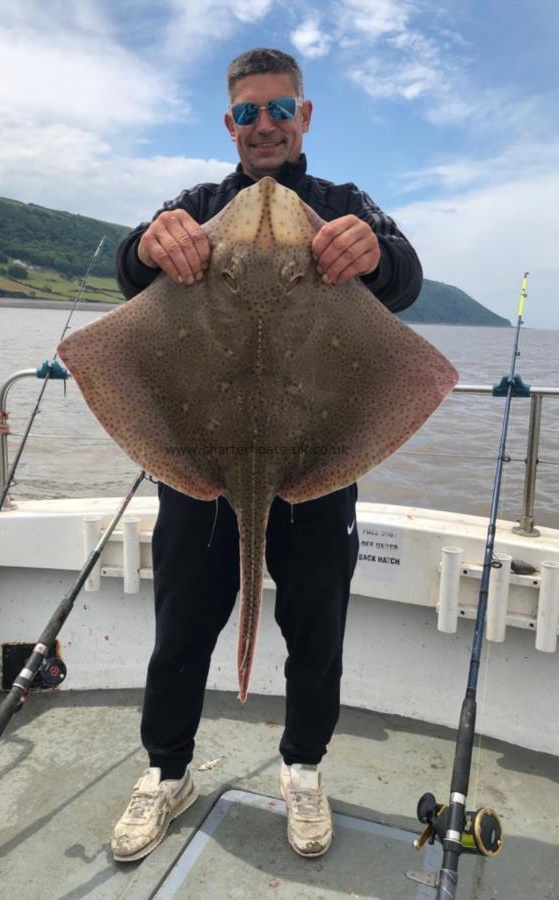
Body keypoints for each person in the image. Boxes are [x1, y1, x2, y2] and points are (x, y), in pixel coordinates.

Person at [111, 47, 422, 863]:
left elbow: (404, 275)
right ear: (229, 124)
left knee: (314, 631)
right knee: (181, 628)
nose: (264, 125)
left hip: (315, 465)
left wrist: (374, 254)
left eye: (279, 108)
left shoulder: (342, 202)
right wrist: (149, 246)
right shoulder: (195, 203)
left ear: (304, 116)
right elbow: (125, 269)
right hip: (199, 468)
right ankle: (165, 771)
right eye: (247, 112)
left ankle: (303, 770)